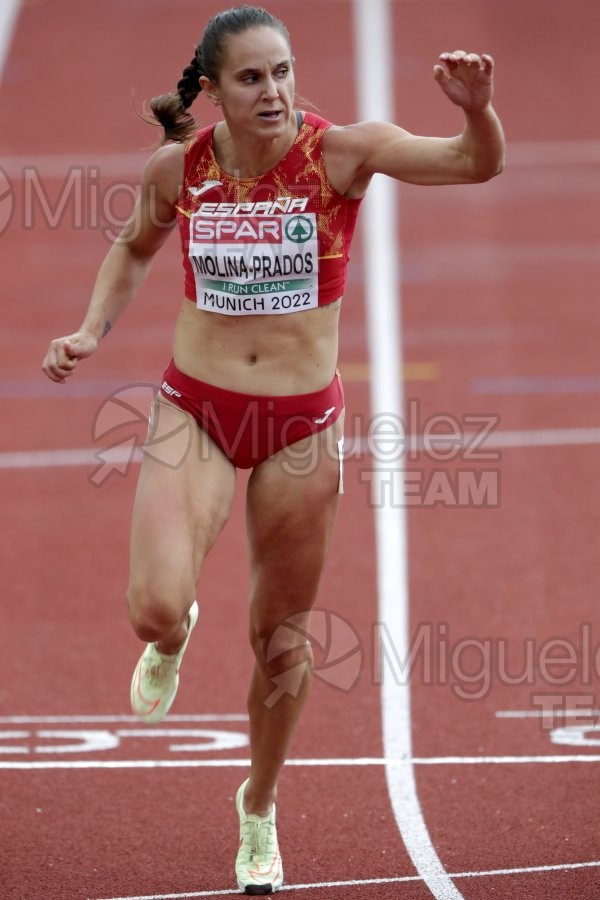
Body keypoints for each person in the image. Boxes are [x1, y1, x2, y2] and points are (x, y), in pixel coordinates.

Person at [42, 5, 504, 894]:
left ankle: (258, 805)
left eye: (284, 71)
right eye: (252, 78)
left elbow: (473, 164)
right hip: (199, 410)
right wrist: (92, 328)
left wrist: (476, 109)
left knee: (281, 645)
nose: (276, 92)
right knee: (151, 608)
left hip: (300, 426)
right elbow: (135, 245)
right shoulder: (182, 168)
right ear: (212, 90)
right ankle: (175, 636)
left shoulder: (341, 155)